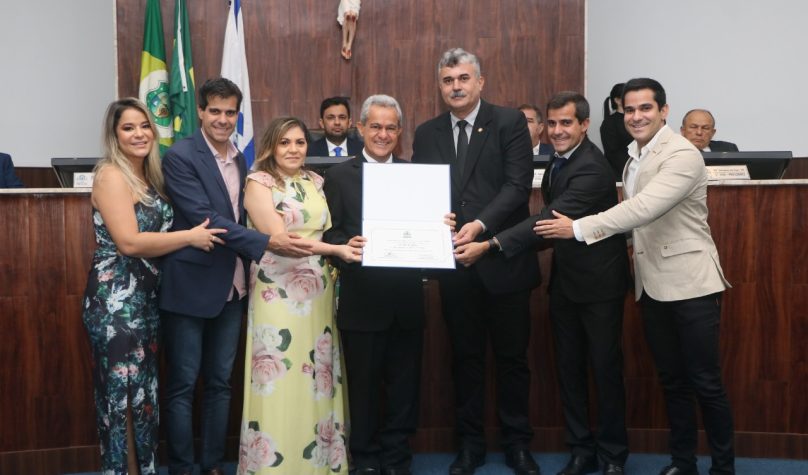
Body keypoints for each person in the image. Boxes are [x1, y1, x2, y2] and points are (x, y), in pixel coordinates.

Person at [536, 78, 735, 475]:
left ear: (664, 111)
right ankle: (684, 463)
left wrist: (577, 228)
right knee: (673, 382)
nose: (636, 116)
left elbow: (642, 209)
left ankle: (724, 467)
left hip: (691, 283)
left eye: (645, 108)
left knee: (705, 384)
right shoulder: (633, 157)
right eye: (629, 110)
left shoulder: (682, 154)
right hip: (652, 283)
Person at [457, 92, 629, 475]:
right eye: (551, 124)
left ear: (584, 125)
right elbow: (551, 230)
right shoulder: (559, 160)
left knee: (603, 370)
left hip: (600, 287)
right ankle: (582, 450)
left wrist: (490, 244)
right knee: (569, 369)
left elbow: (547, 221)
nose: (557, 131)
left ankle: (613, 456)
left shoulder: (592, 168)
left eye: (566, 123)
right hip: (566, 284)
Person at [160, 78, 313, 475]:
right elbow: (206, 221)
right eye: (215, 111)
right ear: (200, 112)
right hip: (192, 285)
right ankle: (181, 466)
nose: (223, 119)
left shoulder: (242, 158)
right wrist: (269, 243)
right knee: (182, 384)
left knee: (220, 383)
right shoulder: (179, 156)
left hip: (233, 286)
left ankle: (211, 465)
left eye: (230, 112)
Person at [412, 47, 541, 475]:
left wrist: (481, 225)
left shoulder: (508, 123)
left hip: (503, 261)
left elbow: (517, 187)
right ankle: (470, 445)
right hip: (456, 267)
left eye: (463, 79)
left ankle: (517, 444)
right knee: (464, 359)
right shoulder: (427, 132)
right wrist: (436, 219)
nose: (456, 87)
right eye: (448, 80)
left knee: (512, 360)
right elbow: (423, 193)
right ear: (440, 85)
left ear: (480, 82)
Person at [82, 98, 225, 475]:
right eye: (128, 128)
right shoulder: (111, 175)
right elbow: (129, 242)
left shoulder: (151, 176)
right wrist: (189, 237)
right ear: (114, 135)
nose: (140, 134)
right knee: (121, 401)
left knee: (142, 399)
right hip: (116, 305)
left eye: (145, 126)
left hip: (145, 301)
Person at [236, 116, 360, 475]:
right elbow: (281, 241)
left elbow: (329, 229)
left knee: (315, 373)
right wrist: (336, 251)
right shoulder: (258, 183)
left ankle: (319, 463)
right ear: (271, 147)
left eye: (300, 142)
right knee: (279, 377)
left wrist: (343, 245)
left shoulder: (316, 181)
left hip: (318, 292)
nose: (293, 149)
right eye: (285, 142)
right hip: (278, 292)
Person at [323, 95, 426, 475]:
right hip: (362, 300)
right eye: (376, 126)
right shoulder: (338, 177)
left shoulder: (415, 176)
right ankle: (364, 458)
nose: (383, 134)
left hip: (406, 300)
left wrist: (439, 227)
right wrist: (344, 248)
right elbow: (329, 234)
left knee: (404, 387)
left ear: (400, 133)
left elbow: (426, 232)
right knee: (363, 388)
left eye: (391, 128)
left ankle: (398, 458)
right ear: (361, 128)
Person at [599, 83, 632, 179]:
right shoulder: (609, 123)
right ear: (617, 100)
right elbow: (613, 154)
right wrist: (631, 170)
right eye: (627, 97)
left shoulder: (635, 119)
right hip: (619, 176)